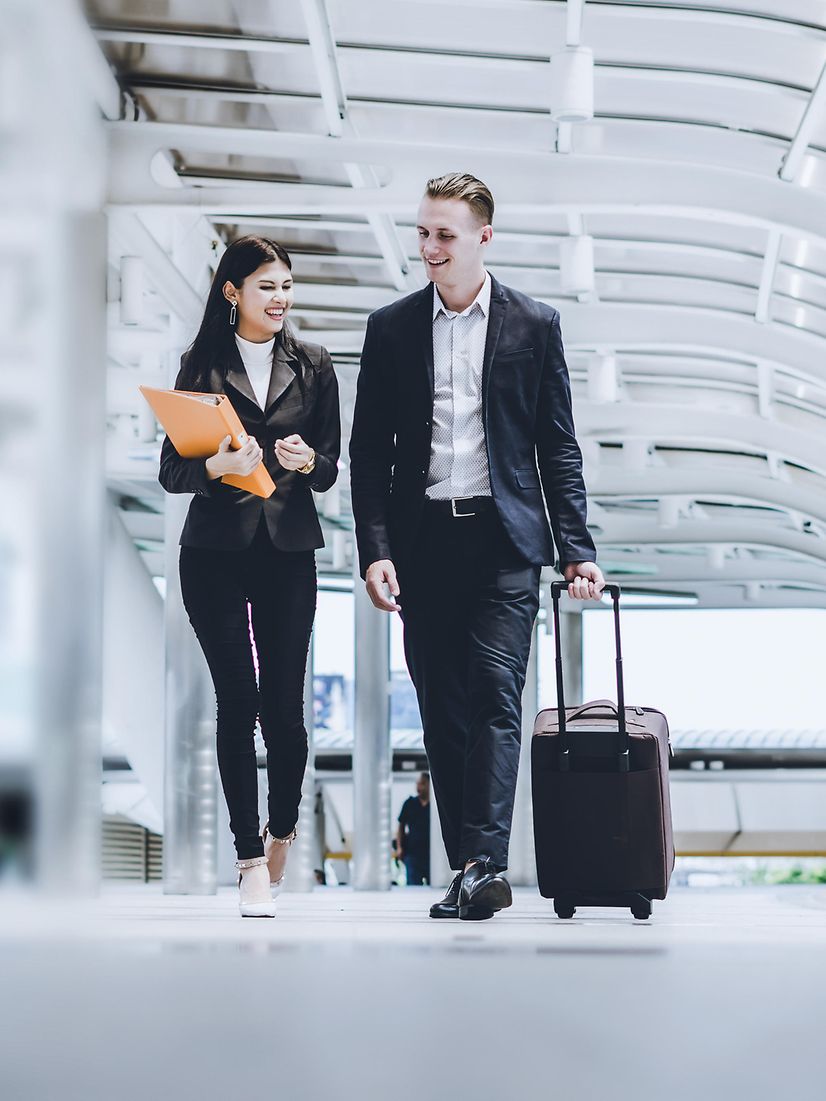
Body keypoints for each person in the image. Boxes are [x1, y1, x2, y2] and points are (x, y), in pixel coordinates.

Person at [350, 173, 605, 922]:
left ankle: (485, 864)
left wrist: (575, 549)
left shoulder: (534, 323)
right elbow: (369, 454)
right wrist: (375, 549)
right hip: (424, 542)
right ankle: (469, 865)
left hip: (504, 542)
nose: (428, 247)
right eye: (423, 232)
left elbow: (557, 447)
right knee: (442, 710)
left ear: (483, 237)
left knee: (497, 695)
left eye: (444, 235)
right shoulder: (391, 328)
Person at [159, 236, 340, 917]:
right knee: (237, 701)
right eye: (267, 285)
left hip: (287, 551)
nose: (281, 298)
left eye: (287, 285)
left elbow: (330, 469)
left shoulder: (315, 365)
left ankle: (282, 830)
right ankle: (247, 860)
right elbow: (172, 470)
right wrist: (217, 467)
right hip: (212, 553)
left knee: (284, 713)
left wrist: (303, 462)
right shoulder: (200, 364)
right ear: (232, 292)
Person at [395, 773, 431, 885]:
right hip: (413, 853)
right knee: (413, 886)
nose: (419, 787)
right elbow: (401, 827)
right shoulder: (410, 804)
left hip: (431, 854)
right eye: (417, 784)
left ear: (429, 785)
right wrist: (399, 847)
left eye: (422, 784)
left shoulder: (435, 806)